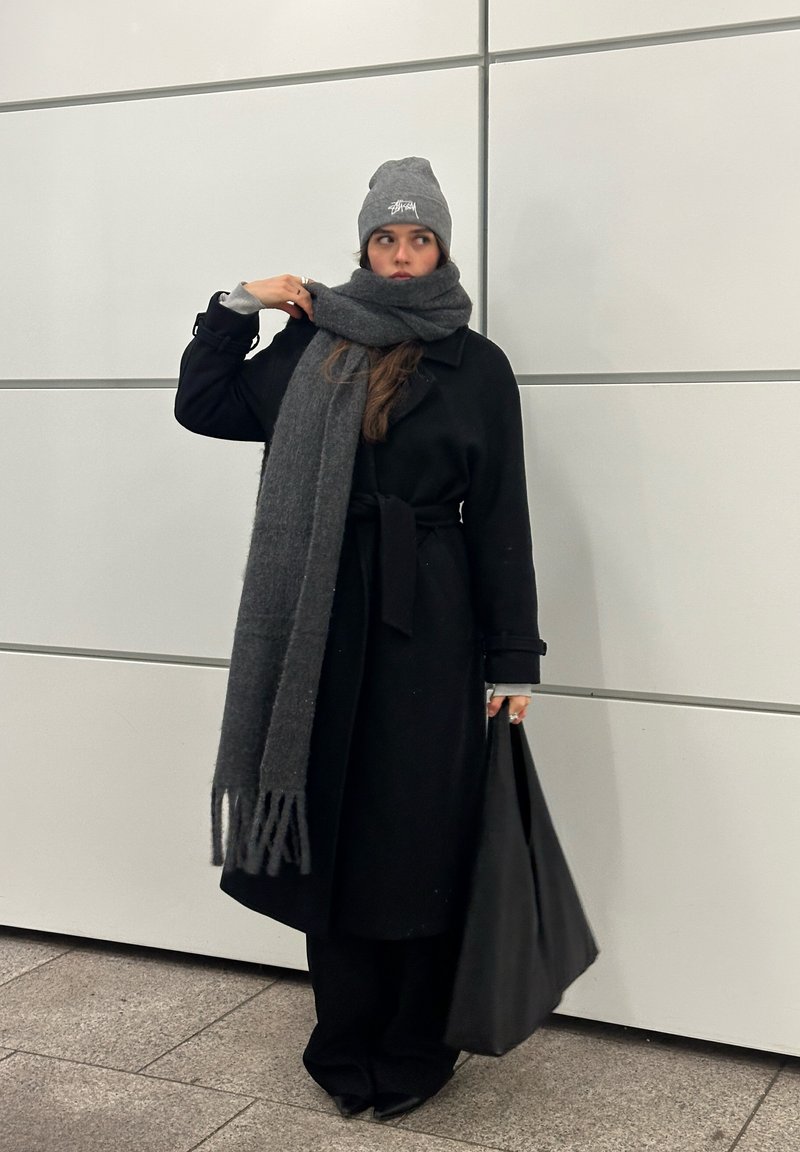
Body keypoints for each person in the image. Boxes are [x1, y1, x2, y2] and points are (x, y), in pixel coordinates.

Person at [174, 157, 546, 1121]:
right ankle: (342, 1037)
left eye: (419, 239)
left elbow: (502, 513)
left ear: (443, 249)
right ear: (366, 246)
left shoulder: (479, 363)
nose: (402, 255)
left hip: (432, 620)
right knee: (332, 822)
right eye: (386, 239)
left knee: (418, 833)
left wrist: (514, 660)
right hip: (321, 623)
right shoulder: (313, 347)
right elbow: (205, 406)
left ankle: (417, 1044)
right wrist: (234, 304)